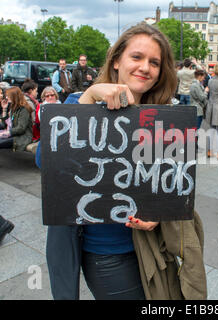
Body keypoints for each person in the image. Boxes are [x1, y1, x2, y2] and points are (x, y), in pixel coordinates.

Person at [38, 23, 206, 300]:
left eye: (154, 62)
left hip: (154, 248)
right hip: (108, 255)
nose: (145, 68)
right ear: (117, 61)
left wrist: (158, 215)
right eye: (137, 57)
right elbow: (47, 163)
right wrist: (90, 98)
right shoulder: (79, 101)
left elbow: (174, 184)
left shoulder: (167, 117)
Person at [0, 87, 33, 151]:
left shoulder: (24, 109)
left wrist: (7, 133)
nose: (6, 97)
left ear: (14, 96)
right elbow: (4, 125)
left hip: (22, 137)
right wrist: (4, 109)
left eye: (8, 96)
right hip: (13, 135)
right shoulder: (13, 107)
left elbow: (21, 128)